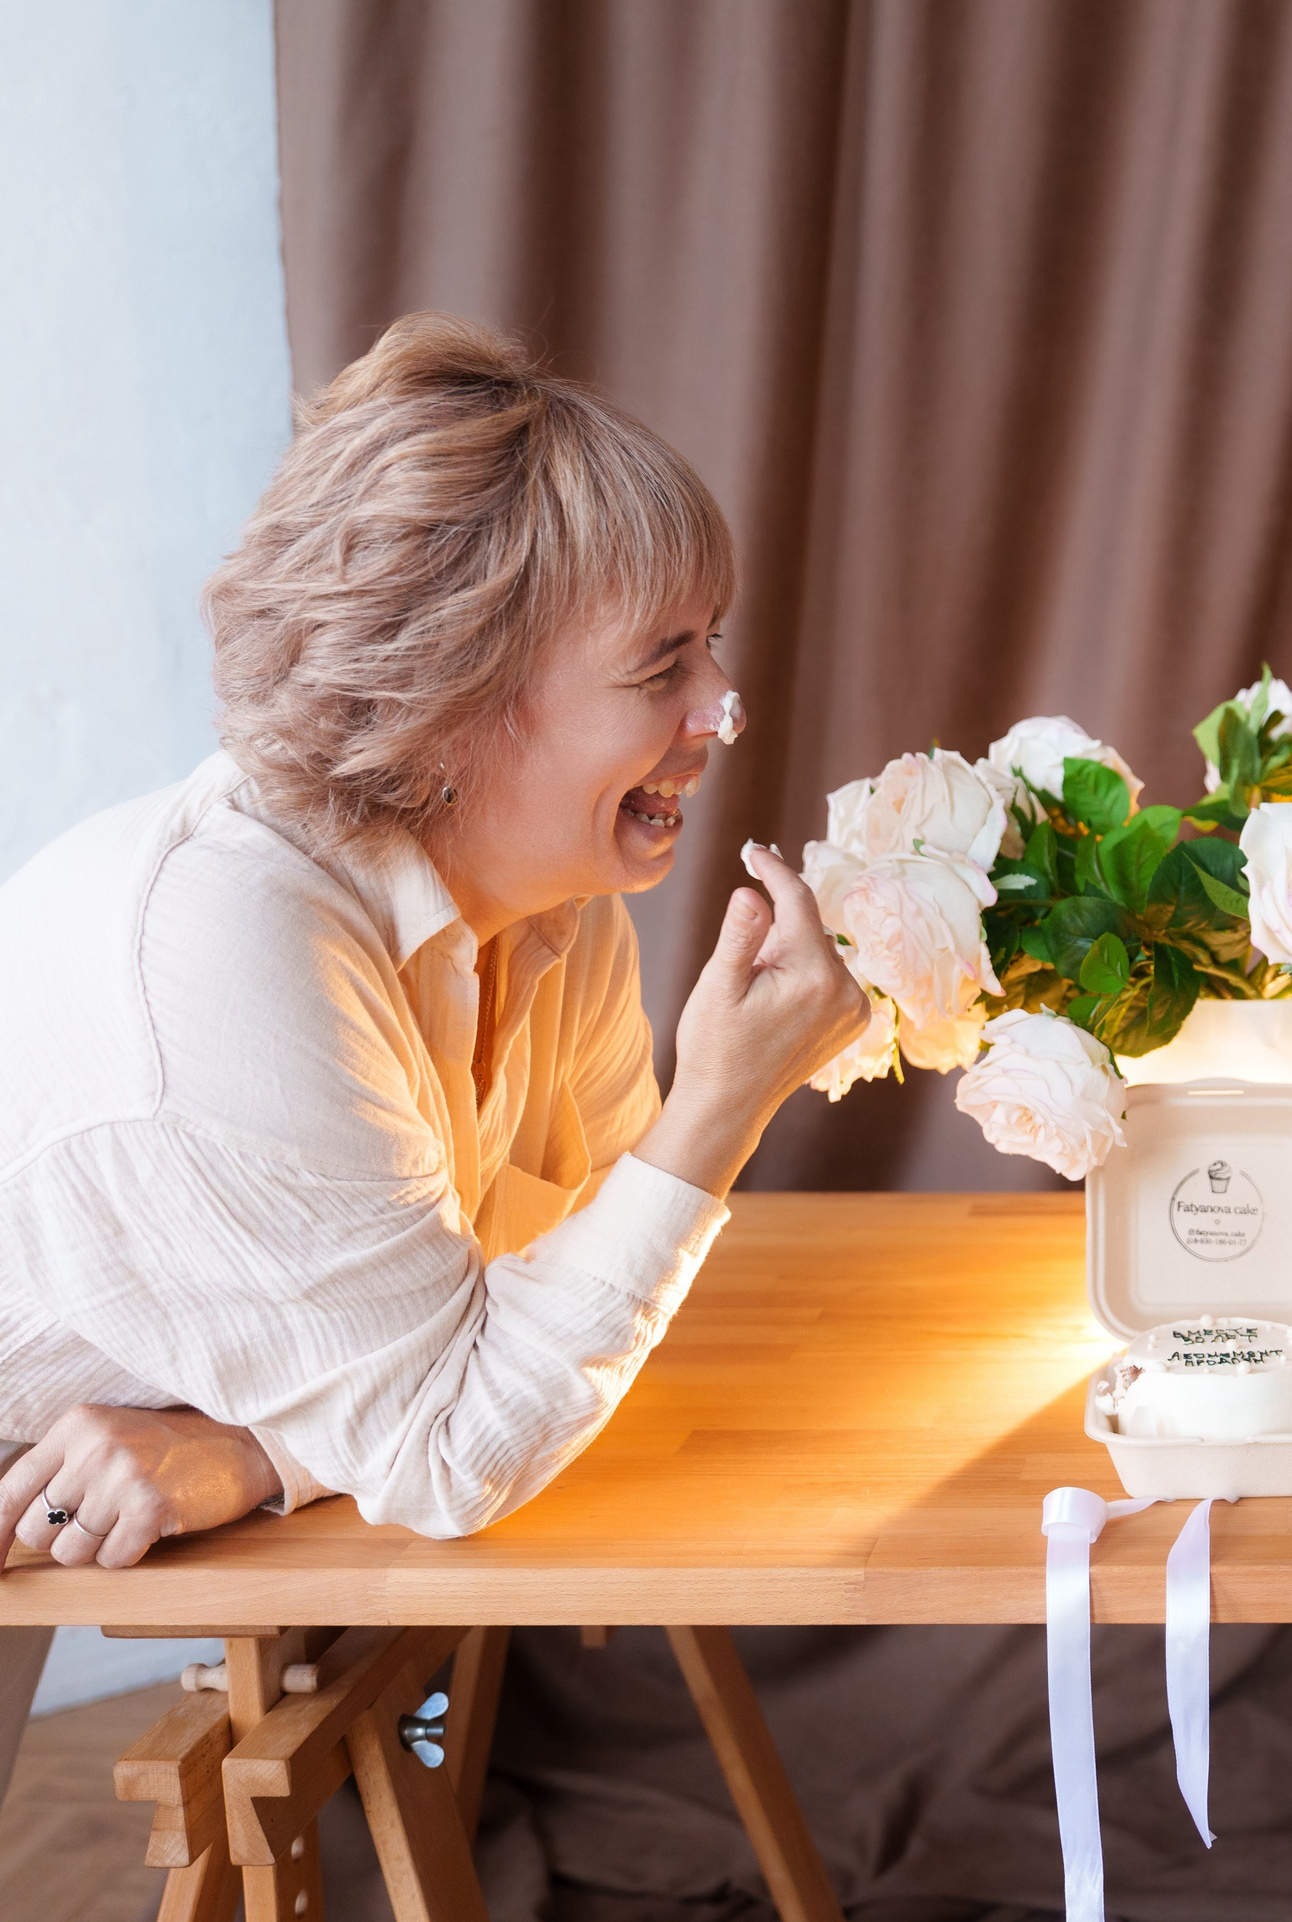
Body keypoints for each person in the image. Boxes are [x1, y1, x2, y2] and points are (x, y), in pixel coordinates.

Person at [0, 315, 867, 1786]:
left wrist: (256, 1451)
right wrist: (722, 1099)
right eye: (663, 666)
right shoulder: (230, 942)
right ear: (462, 701)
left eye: (710, 648)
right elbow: (463, 1438)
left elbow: (549, 1312)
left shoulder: (550, 902)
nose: (722, 710)